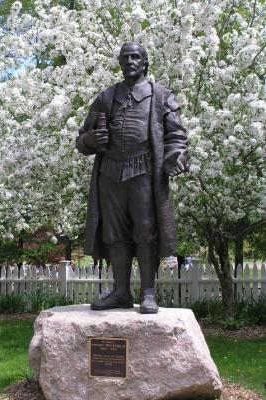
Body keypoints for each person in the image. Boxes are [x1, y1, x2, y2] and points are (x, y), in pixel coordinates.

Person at [76, 43, 188, 313]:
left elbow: (176, 135)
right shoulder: (105, 97)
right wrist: (90, 139)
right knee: (114, 234)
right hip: (110, 174)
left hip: (144, 172)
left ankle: (148, 292)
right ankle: (121, 291)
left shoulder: (160, 96)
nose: (129, 61)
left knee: (145, 230)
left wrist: (175, 156)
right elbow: (81, 140)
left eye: (135, 57)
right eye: (125, 58)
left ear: (145, 62)